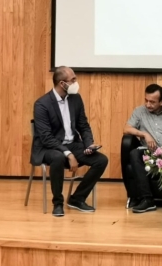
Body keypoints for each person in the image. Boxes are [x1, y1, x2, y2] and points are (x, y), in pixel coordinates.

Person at [31, 66, 108, 217]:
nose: (76, 82)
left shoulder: (76, 99)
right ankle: (57, 203)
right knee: (58, 157)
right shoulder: (42, 104)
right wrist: (68, 154)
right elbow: (46, 137)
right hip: (48, 147)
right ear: (62, 84)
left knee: (101, 160)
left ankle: (77, 198)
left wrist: (89, 144)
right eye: (73, 80)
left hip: (72, 143)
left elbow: (83, 125)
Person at [123, 83, 162, 214]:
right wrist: (144, 134)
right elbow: (126, 128)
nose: (148, 104)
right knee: (134, 154)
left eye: (152, 102)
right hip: (148, 152)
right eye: (146, 100)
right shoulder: (139, 111)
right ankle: (147, 199)